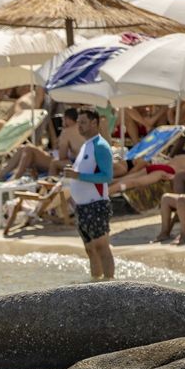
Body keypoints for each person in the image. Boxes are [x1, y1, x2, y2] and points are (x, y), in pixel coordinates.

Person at [64, 108, 116, 281]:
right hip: (82, 206)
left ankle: (109, 286)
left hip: (96, 204)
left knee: (101, 247)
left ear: (94, 123)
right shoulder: (86, 145)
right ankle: (95, 284)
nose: (79, 126)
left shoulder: (100, 146)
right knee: (90, 249)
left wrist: (78, 176)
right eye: (78, 122)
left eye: (83, 122)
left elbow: (107, 176)